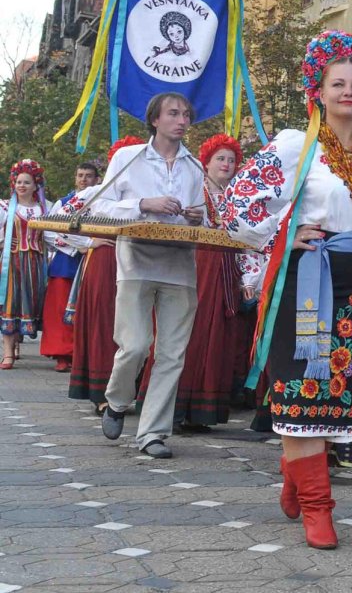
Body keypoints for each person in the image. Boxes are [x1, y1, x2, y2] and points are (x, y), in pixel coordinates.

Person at [223, 30, 352, 549]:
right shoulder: (297, 146)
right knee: (302, 390)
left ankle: (298, 472)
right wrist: (285, 233)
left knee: (338, 393)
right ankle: (319, 508)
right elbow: (237, 205)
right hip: (306, 282)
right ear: (318, 89)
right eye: (338, 84)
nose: (348, 92)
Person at [91, 94, 205, 459]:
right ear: (154, 119)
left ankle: (153, 433)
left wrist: (197, 216)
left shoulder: (195, 166)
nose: (182, 120)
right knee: (136, 345)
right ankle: (117, 401)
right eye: (173, 113)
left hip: (180, 267)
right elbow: (98, 206)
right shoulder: (128, 158)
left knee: (172, 354)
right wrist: (143, 204)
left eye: (186, 114)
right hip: (136, 263)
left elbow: (206, 216)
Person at [155, 134, 245, 432]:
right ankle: (173, 407)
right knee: (190, 331)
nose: (227, 164)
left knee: (217, 334)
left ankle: (201, 412)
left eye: (231, 160)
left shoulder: (237, 195)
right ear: (206, 162)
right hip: (198, 264)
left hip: (226, 267)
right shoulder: (195, 188)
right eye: (220, 159)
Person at [65, 138, 143, 409]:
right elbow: (60, 220)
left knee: (135, 326)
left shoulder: (143, 194)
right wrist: (89, 241)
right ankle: (101, 394)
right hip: (105, 263)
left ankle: (129, 390)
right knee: (105, 323)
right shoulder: (96, 192)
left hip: (138, 262)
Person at [39, 162, 100, 372]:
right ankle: (61, 354)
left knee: (88, 311)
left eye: (89, 176)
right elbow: (49, 231)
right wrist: (77, 246)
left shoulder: (103, 204)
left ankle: (82, 354)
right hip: (66, 262)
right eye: (80, 175)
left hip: (94, 260)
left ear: (97, 180)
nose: (84, 179)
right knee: (59, 310)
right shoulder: (64, 203)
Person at [0, 160, 51, 370]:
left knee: (29, 302)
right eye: (19, 182)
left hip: (35, 263)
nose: (22, 186)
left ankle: (17, 343)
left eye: (27, 182)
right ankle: (8, 353)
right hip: (11, 262)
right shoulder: (4, 207)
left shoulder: (44, 208)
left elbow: (52, 236)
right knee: (10, 303)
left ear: (35, 185)